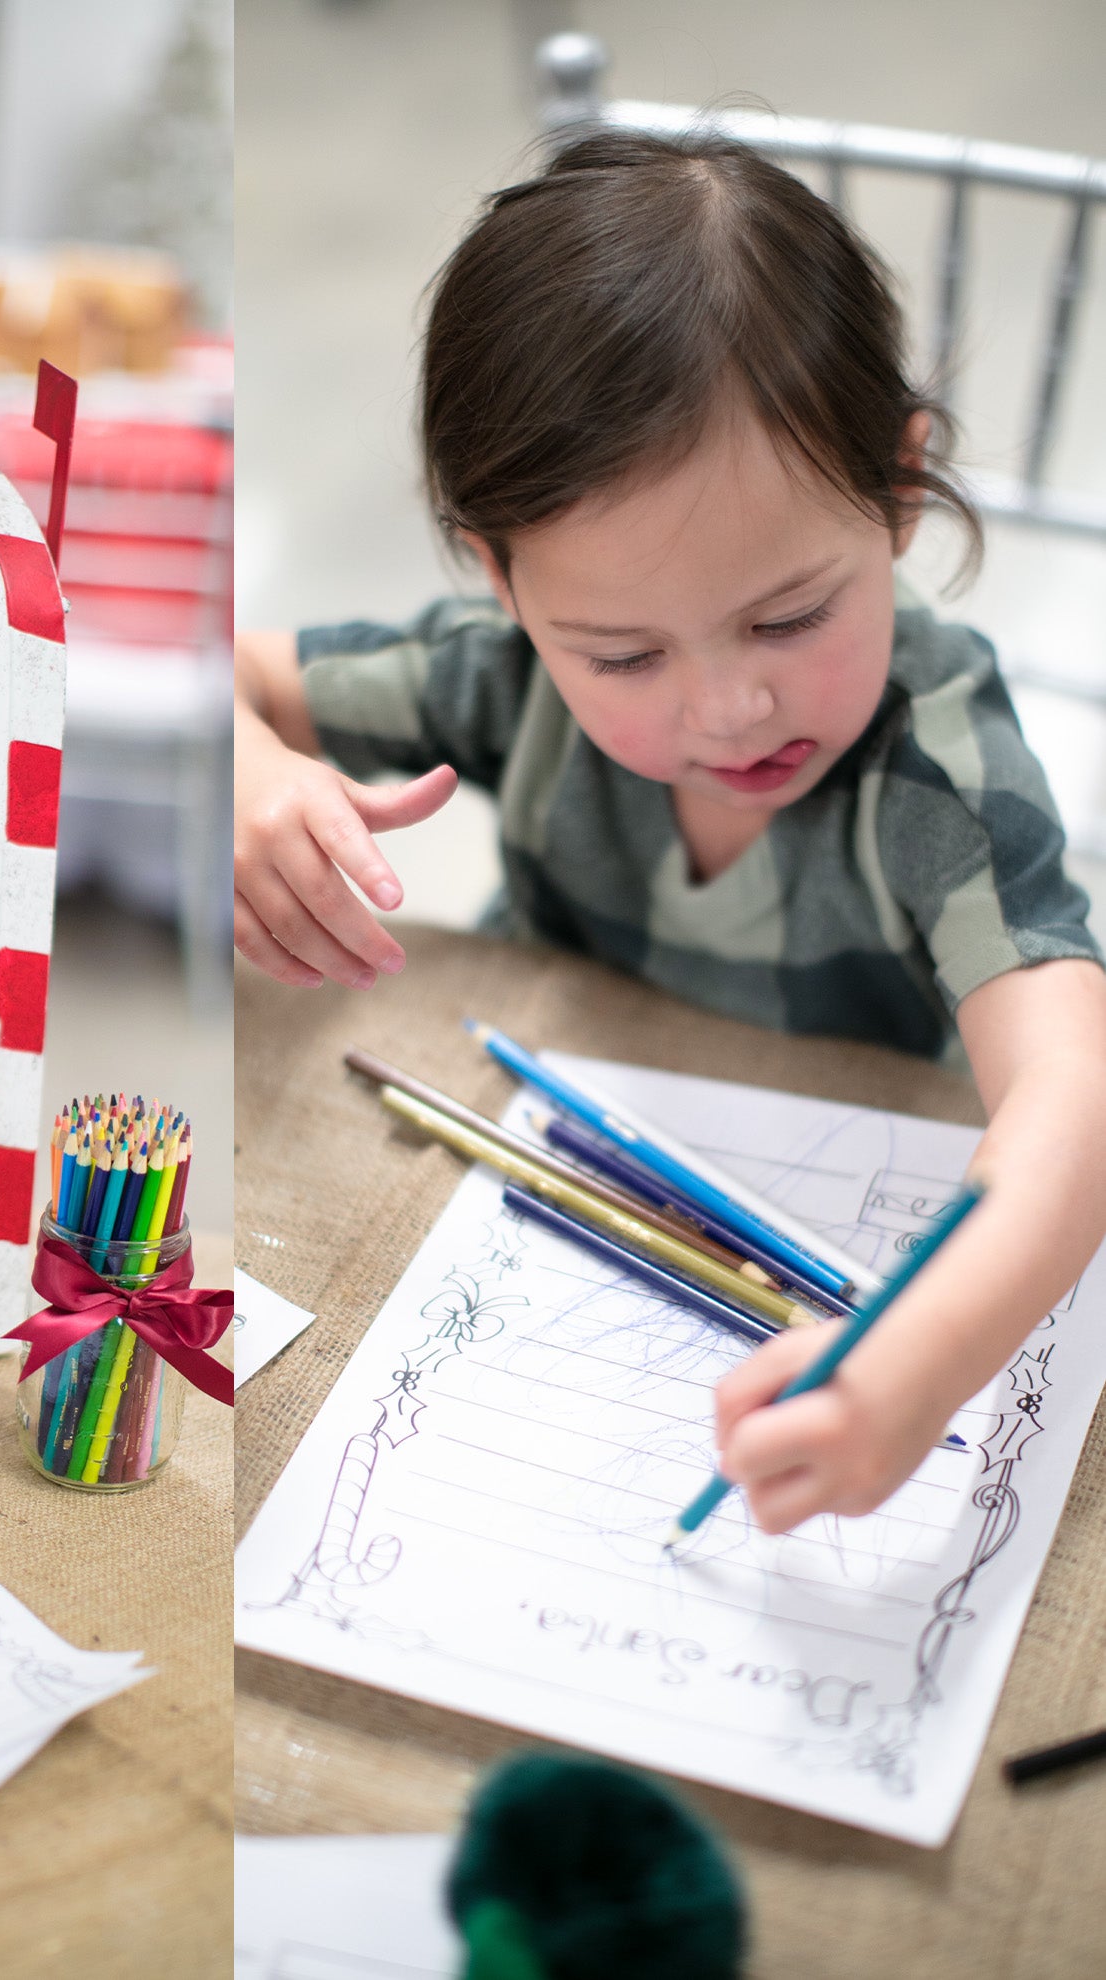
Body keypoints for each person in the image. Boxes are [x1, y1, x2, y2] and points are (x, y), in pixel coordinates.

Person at [234, 129, 1106, 1537]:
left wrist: (921, 1362)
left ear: (897, 489)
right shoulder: (503, 675)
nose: (726, 704)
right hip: (555, 1192)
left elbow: (1079, 1105)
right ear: (500, 578)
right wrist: (247, 770)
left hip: (841, 1230)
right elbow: (241, 677)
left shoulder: (935, 756)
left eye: (788, 617)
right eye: (623, 655)